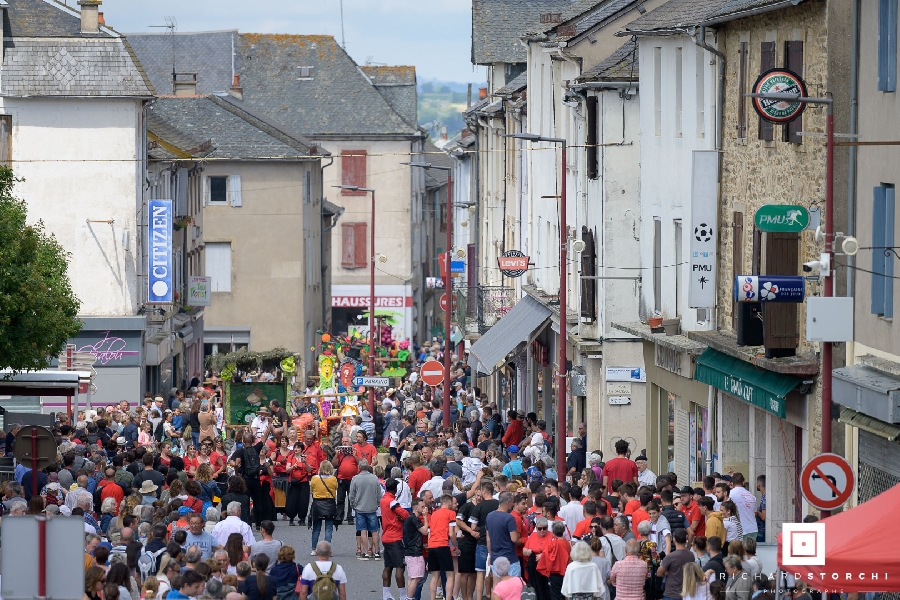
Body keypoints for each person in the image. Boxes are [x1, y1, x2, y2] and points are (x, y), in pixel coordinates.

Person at [379, 478, 409, 600]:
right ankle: (402, 595)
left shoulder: (383, 499)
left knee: (388, 566)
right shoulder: (392, 501)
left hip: (386, 536)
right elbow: (405, 514)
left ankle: (386, 594)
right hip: (395, 537)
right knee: (400, 567)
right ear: (395, 489)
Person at [349, 462, 383, 560]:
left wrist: (353, 505)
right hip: (372, 507)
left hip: (360, 508)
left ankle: (365, 552)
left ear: (359, 467)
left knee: (363, 530)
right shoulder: (374, 478)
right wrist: (377, 504)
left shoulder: (355, 479)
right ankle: (377, 552)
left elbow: (351, 495)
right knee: (374, 531)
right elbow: (379, 494)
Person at [427, 494, 458, 600]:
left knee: (435, 576)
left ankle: (432, 598)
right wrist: (456, 547)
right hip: (443, 544)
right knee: (450, 575)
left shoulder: (434, 514)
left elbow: (429, 532)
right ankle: (448, 598)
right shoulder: (451, 513)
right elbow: (451, 533)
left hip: (432, 545)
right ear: (449, 502)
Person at [485, 491, 521, 576]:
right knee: (513, 586)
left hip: (495, 558)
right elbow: (514, 539)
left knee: (497, 586)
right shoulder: (509, 518)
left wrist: (490, 555)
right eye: (512, 502)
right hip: (510, 559)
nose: (513, 504)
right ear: (508, 503)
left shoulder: (489, 516)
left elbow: (488, 538)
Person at [657, 528, 695, 600]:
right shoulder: (691, 555)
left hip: (671, 594)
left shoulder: (670, 557)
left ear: (674, 539)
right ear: (686, 538)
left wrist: (666, 573)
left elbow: (659, 573)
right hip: (686, 593)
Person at [310, 460, 339, 553]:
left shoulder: (314, 478)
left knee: (316, 528)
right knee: (329, 528)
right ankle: (327, 549)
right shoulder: (333, 479)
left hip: (317, 504)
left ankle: (314, 549)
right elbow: (336, 488)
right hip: (329, 503)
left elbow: (312, 490)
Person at [403, 498, 429, 600]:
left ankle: (409, 597)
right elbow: (425, 531)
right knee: (416, 578)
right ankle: (409, 598)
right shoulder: (414, 518)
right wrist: (426, 517)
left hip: (411, 552)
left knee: (412, 578)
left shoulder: (411, 518)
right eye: (422, 507)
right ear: (415, 508)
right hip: (414, 553)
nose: (424, 509)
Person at [538, 521, 570, 600]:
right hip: (565, 573)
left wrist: (542, 555)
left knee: (556, 596)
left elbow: (548, 557)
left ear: (553, 531)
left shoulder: (554, 543)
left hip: (556, 573)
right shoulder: (566, 542)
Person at [725, 474, 757, 542]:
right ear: (743, 482)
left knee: (739, 551)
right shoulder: (751, 496)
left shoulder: (730, 495)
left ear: (732, 483)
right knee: (750, 551)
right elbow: (755, 513)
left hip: (740, 530)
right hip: (753, 529)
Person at [754, 476, 765, 543]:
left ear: (759, 484)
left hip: (762, 531)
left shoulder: (765, 498)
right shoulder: (764, 496)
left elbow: (763, 517)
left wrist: (756, 511)